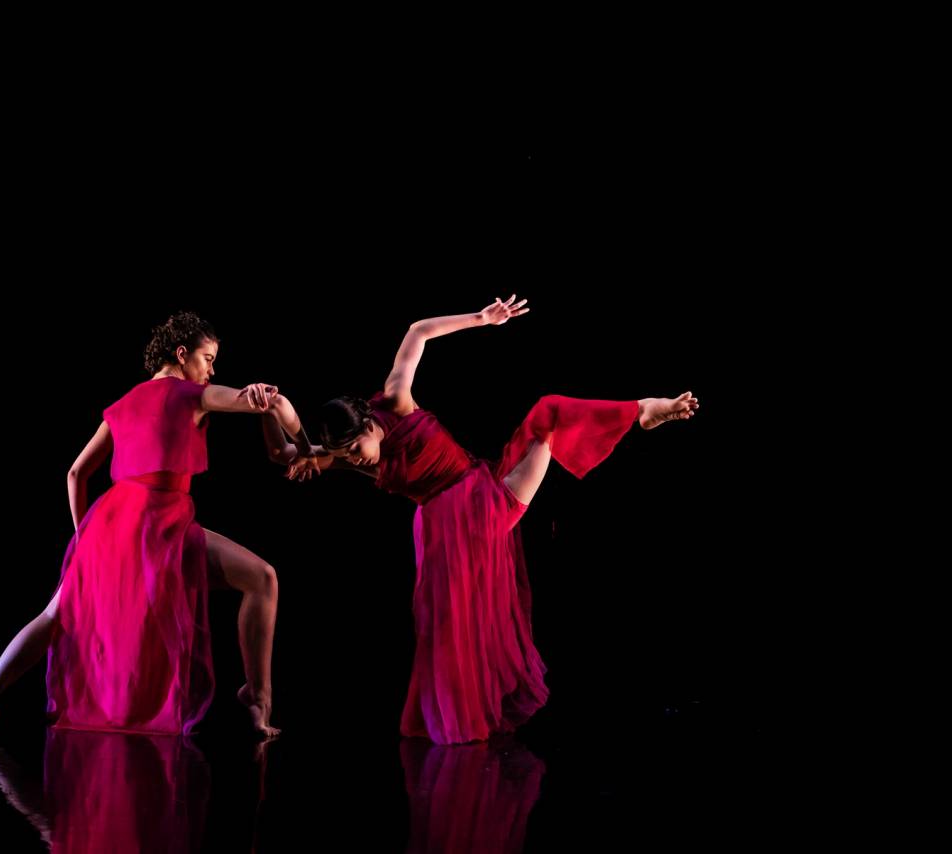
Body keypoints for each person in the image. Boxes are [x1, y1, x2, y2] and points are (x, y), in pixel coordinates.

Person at [270, 296, 699, 744]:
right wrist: (272, 411)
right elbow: (284, 451)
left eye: (356, 448)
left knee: (547, 415)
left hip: (478, 492)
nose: (355, 459)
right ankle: (643, 410)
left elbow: (417, 331)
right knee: (449, 622)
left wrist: (481, 318)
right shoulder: (346, 458)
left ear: (366, 426)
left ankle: (643, 411)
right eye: (346, 456)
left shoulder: (396, 398)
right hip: (454, 522)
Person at [0, 311, 312, 737]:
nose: (211, 370)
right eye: (207, 359)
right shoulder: (192, 395)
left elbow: (76, 474)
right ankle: (259, 701)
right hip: (161, 521)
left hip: (110, 523)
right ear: (182, 354)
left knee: (54, 614)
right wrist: (299, 440)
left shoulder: (123, 403)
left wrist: (86, 539)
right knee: (263, 579)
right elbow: (271, 403)